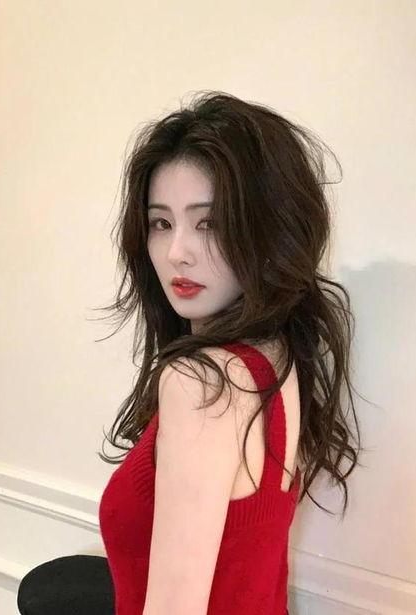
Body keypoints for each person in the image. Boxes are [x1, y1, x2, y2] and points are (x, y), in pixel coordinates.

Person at [96, 90, 362, 615]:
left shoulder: (201, 382)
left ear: (267, 232)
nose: (177, 252)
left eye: (209, 223)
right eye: (161, 223)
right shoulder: (277, 353)